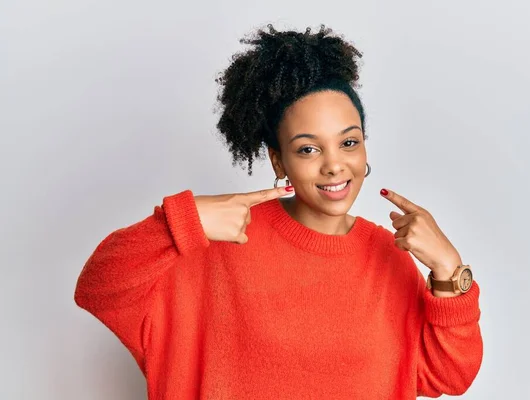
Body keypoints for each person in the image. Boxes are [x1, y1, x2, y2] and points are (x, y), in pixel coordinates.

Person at [74, 24, 483, 400]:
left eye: (349, 142)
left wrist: (448, 269)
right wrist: (181, 221)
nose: (334, 165)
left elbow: (448, 375)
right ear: (278, 161)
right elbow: (98, 289)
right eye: (308, 148)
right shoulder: (218, 239)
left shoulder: (386, 255)